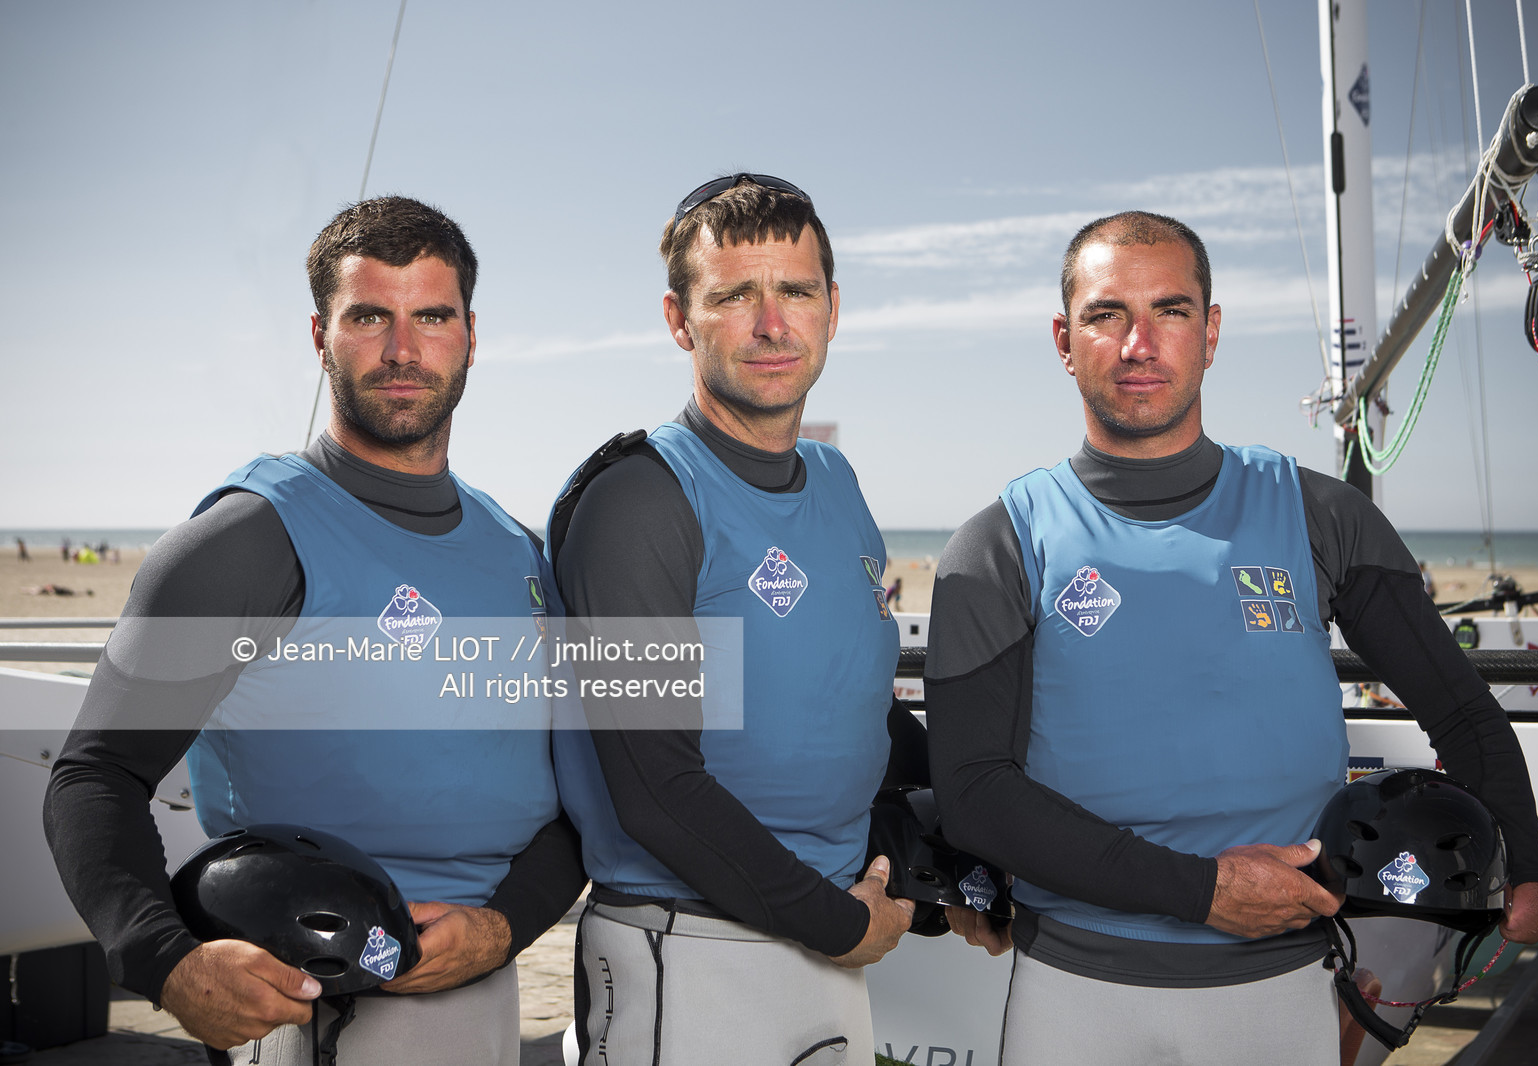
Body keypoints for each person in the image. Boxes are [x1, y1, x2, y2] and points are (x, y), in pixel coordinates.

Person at [924, 211, 1538, 1065]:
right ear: (1064, 340)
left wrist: (1527, 863)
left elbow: (1463, 713)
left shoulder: (1320, 514)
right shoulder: (1000, 542)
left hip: (1282, 986)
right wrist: (1203, 892)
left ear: (1212, 332)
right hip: (1077, 989)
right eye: (1107, 314)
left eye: (1172, 311)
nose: (1139, 342)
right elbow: (974, 792)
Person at [43, 197, 586, 1065]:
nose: (403, 350)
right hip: (307, 1014)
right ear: (320, 336)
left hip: (485, 999)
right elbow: (94, 773)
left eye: (432, 316)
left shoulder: (519, 550)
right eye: (370, 316)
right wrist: (168, 965)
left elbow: (579, 794)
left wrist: (504, 925)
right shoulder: (244, 541)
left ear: (471, 335)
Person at [547, 174, 924, 1065]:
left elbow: (853, 707)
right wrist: (836, 922)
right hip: (686, 948)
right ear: (680, 319)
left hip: (826, 946)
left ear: (832, 309)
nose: (770, 323)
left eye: (795, 292)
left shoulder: (837, 481)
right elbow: (655, 789)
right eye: (733, 296)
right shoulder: (640, 498)